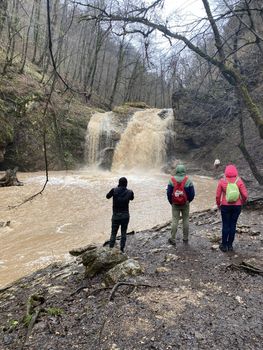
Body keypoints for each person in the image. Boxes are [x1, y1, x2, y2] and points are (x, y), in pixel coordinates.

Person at [216, 164, 248, 252]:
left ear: (225, 172)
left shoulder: (222, 181)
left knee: (225, 225)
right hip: (237, 206)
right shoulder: (239, 181)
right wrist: (242, 202)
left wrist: (219, 204)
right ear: (235, 172)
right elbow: (245, 195)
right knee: (233, 225)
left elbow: (218, 196)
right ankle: (230, 245)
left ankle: (224, 245)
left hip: (225, 206)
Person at [166, 164, 195, 246]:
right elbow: (192, 194)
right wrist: (188, 201)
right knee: (185, 220)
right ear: (184, 171)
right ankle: (185, 238)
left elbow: (168, 193)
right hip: (185, 203)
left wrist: (171, 202)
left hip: (175, 203)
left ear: (176, 171)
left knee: (175, 220)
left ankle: (173, 238)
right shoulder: (188, 180)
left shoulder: (171, 180)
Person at [106, 177, 134, 253]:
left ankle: (111, 248)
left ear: (119, 183)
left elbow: (107, 196)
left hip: (116, 215)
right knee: (123, 233)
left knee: (113, 233)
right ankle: (122, 249)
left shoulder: (114, 190)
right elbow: (132, 198)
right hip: (125, 215)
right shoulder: (130, 192)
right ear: (126, 184)